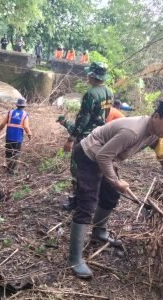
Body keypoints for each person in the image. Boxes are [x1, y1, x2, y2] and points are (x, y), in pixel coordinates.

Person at [67, 100, 163, 279]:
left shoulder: (157, 134)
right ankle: (74, 259)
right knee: (87, 203)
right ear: (156, 116)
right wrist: (115, 180)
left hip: (106, 157)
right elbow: (102, 156)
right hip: (88, 154)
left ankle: (99, 232)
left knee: (110, 195)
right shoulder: (132, 131)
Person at [61, 62, 114, 211]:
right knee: (94, 168)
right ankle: (91, 198)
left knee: (77, 168)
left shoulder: (91, 94)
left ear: (92, 76)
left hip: (85, 137)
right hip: (100, 135)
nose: (87, 77)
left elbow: (83, 119)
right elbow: (108, 113)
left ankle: (78, 200)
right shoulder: (109, 92)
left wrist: (71, 139)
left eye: (88, 74)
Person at [0, 98, 33, 174]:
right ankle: (13, 170)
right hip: (18, 138)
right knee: (16, 154)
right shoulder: (25, 114)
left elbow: (3, 123)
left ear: (17, 105)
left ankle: (8, 168)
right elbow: (26, 127)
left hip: (9, 137)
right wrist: (29, 134)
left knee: (8, 153)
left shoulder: (10, 112)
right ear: (24, 106)